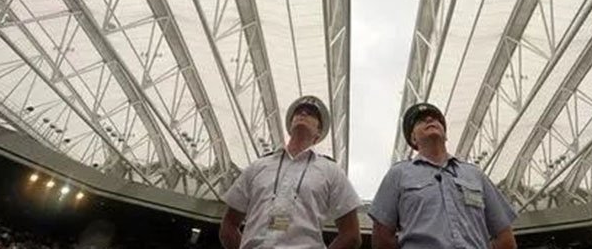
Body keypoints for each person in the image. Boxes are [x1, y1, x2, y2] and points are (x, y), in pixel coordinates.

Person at [219, 95, 362, 249]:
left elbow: (351, 235)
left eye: (311, 114)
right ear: (290, 124)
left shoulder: (331, 171)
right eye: (298, 112)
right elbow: (228, 225)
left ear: (318, 131)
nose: (303, 114)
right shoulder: (258, 167)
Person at [369, 103, 517, 249]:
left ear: (445, 135)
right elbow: (381, 237)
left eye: (436, 119)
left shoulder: (475, 174)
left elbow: (504, 236)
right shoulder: (398, 174)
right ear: (413, 138)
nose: (429, 120)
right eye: (420, 120)